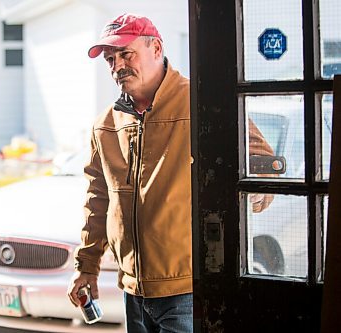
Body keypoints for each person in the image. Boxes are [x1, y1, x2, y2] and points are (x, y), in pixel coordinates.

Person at [67, 13, 273, 333]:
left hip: (187, 289)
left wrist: (258, 190)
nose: (117, 65)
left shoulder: (201, 102)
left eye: (126, 53)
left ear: (157, 48)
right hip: (132, 291)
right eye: (110, 59)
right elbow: (98, 200)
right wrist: (86, 267)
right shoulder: (106, 123)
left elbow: (261, 161)